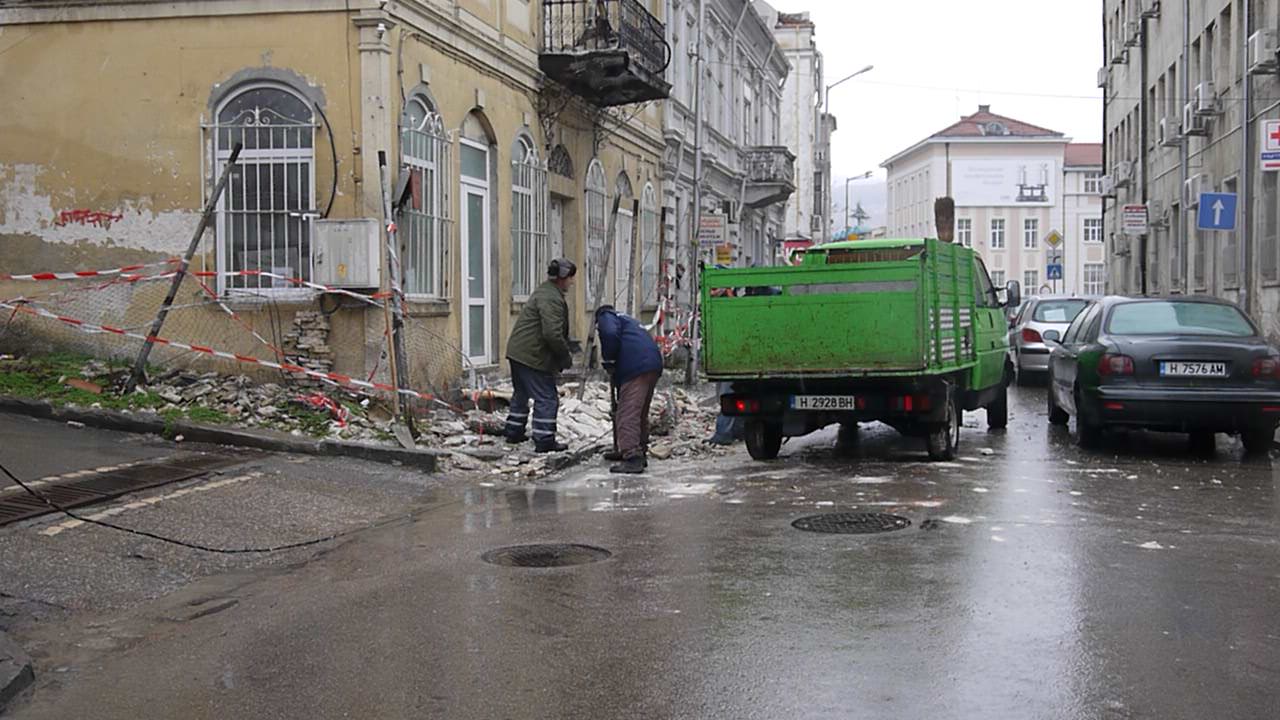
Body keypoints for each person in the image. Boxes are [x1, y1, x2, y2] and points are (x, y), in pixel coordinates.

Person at [504, 258, 576, 453]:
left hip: (518, 352)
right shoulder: (551, 297)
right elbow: (552, 333)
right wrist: (564, 356)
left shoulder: (544, 291)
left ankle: (513, 431)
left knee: (521, 393)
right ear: (562, 278)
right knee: (547, 397)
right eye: (570, 278)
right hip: (532, 355)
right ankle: (544, 440)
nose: (571, 282)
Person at [595, 305, 663, 474]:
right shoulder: (628, 320)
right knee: (639, 413)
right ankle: (637, 449)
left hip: (636, 366)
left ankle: (632, 456)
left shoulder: (606, 316)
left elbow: (609, 333)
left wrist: (609, 358)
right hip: (651, 363)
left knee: (627, 413)